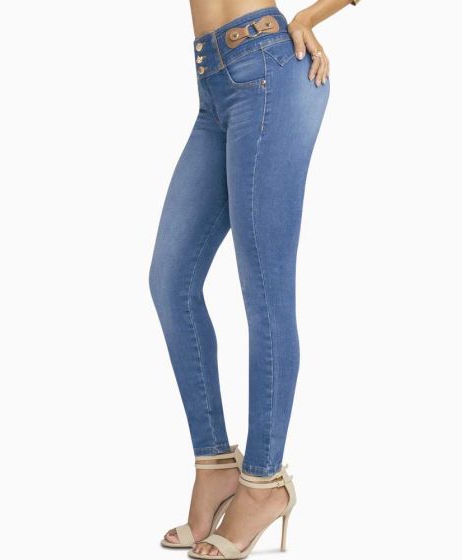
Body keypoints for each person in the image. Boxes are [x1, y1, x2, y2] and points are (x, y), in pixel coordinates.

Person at [149, 1, 360, 557]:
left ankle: (264, 483)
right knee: (170, 281)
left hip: (268, 67)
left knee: (265, 292)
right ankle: (216, 466)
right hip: (213, 84)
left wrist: (308, 18)